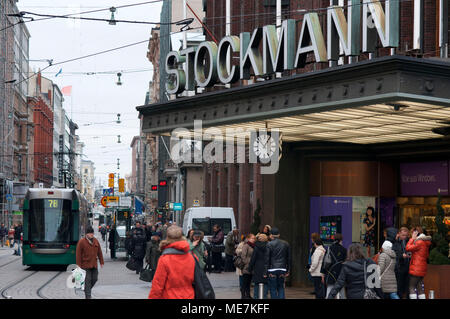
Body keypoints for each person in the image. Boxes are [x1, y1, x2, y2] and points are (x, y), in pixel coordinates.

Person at [148, 226, 196, 299]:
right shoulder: (192, 257)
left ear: (167, 237)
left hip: (169, 296)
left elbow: (158, 284)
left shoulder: (164, 259)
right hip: (189, 295)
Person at [75, 226, 104, 299]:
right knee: (87, 281)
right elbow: (78, 254)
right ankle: (88, 296)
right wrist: (78, 266)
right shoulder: (81, 242)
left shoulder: (95, 241)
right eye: (90, 233)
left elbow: (99, 252)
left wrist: (101, 261)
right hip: (85, 265)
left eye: (92, 233)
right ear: (86, 234)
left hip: (94, 264)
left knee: (95, 279)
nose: (92, 235)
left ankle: (86, 290)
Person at [406, 226, 432, 299]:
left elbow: (408, 248)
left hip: (416, 267)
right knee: (420, 286)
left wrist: (412, 239)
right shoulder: (425, 242)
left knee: (412, 286)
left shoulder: (419, 242)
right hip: (422, 267)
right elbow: (426, 255)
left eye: (412, 233)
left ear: (416, 233)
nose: (411, 235)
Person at [265, 227, 291, 299]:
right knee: (281, 287)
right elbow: (288, 258)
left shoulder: (269, 244)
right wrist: (288, 269)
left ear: (271, 235)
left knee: (273, 288)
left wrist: (265, 272)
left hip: (272, 269)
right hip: (282, 268)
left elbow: (267, 259)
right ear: (279, 235)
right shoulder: (286, 244)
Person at [321, 233, 347, 299]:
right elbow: (346, 263)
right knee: (342, 293)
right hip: (340, 274)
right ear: (341, 240)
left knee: (329, 292)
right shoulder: (344, 250)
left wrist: (323, 274)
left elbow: (324, 262)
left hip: (330, 273)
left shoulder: (329, 249)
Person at [248, 233, 269, 299]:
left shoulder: (256, 247)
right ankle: (264, 297)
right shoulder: (269, 247)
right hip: (266, 267)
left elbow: (253, 259)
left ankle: (256, 297)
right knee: (265, 283)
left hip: (257, 267)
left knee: (256, 284)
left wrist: (250, 268)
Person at [392, 227, 411, 298]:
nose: (404, 237)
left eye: (406, 235)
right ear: (399, 234)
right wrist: (401, 255)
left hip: (408, 266)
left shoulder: (408, 241)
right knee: (399, 287)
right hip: (399, 267)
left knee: (408, 287)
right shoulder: (395, 242)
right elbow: (394, 253)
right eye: (403, 235)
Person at [240, 233, 256, 299]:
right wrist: (248, 263)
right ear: (248, 238)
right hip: (246, 267)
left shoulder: (254, 246)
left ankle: (248, 295)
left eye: (254, 238)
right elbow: (243, 256)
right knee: (245, 282)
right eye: (252, 238)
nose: (253, 239)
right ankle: (243, 296)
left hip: (252, 267)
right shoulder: (246, 245)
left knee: (249, 283)